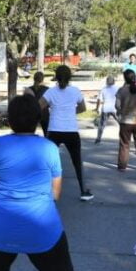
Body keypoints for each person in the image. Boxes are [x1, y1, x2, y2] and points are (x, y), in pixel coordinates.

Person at [0, 95, 80, 271]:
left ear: (9, 120)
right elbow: (55, 194)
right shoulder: (49, 147)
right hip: (41, 228)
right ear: (38, 119)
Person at [39, 65, 93, 201]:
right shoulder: (75, 91)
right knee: (77, 161)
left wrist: (52, 111)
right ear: (70, 78)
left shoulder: (50, 92)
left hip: (54, 130)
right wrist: (69, 111)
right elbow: (82, 108)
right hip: (71, 130)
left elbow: (39, 106)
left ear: (56, 77)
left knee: (48, 161)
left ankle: (45, 191)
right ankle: (83, 191)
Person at [94, 75, 119, 144]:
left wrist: (97, 108)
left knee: (102, 124)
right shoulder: (117, 88)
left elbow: (99, 100)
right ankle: (126, 137)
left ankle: (98, 138)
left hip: (105, 108)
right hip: (115, 109)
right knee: (121, 123)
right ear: (114, 82)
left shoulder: (103, 89)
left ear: (106, 82)